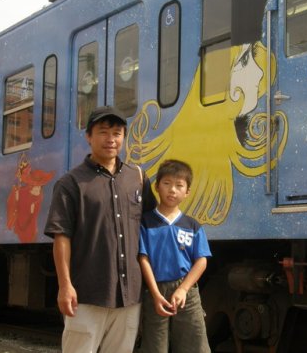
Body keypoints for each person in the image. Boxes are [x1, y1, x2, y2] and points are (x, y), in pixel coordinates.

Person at [44, 105, 156, 353]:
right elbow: (61, 236)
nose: (111, 139)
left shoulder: (137, 178)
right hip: (86, 293)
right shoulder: (70, 183)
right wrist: (65, 285)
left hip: (130, 296)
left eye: (117, 133)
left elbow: (151, 227)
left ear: (124, 137)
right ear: (89, 136)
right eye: (103, 132)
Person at [138, 159, 212, 353]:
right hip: (156, 290)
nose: (172, 190)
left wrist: (183, 289)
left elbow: (201, 260)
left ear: (187, 192)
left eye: (179, 185)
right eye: (167, 183)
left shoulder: (192, 226)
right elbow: (142, 258)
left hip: (186, 291)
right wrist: (154, 294)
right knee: (155, 345)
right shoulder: (146, 223)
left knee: (195, 343)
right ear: (156, 187)